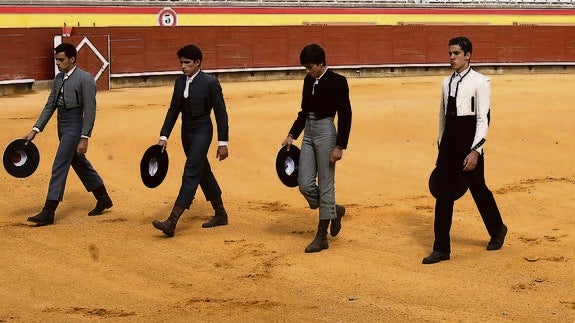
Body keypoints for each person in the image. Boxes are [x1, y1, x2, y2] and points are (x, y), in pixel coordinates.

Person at [422, 36, 507, 264]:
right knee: (443, 193)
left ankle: (498, 229)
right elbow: (442, 117)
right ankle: (441, 249)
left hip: (469, 142)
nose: (451, 57)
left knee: (478, 189)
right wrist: (441, 145)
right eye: (450, 53)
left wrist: (476, 151)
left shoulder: (481, 81)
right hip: (449, 143)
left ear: (468, 55)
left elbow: (483, 119)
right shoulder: (446, 82)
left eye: (456, 53)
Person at [25, 43, 113, 226]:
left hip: (74, 125)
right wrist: (36, 129)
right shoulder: (58, 79)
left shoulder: (85, 79)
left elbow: (90, 110)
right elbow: (50, 105)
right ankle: (103, 197)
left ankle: (49, 210)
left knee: (60, 163)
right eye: (56, 60)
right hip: (62, 124)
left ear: (72, 59)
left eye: (61, 60)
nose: (58, 63)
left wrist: (84, 137)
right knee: (79, 162)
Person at [152, 44, 229, 237]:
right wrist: (163, 136)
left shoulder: (210, 83)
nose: (183, 66)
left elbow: (221, 113)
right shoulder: (179, 82)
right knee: (203, 172)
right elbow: (173, 110)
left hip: (203, 129)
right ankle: (220, 214)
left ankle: (172, 220)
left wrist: (222, 142)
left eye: (187, 63)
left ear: (198, 63)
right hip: (186, 131)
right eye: (181, 63)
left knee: (191, 171)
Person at [282, 44, 352, 253]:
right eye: (305, 67)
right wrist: (292, 134)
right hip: (309, 132)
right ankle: (334, 210)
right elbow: (304, 111)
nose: (307, 70)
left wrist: (340, 145)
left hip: (326, 132)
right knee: (303, 183)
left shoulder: (338, 81)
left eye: (310, 66)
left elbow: (345, 115)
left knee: (326, 182)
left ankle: (322, 236)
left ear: (321, 63)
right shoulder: (308, 80)